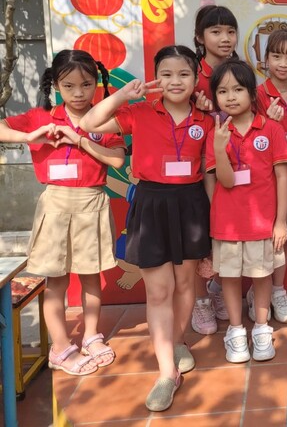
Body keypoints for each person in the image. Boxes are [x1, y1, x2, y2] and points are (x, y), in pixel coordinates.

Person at [80, 45, 213, 412]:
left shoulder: (206, 119)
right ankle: (167, 372)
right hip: (151, 203)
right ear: (156, 78)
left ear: (196, 79)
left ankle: (177, 340)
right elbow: (89, 124)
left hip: (191, 204)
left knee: (185, 284)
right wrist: (123, 94)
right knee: (158, 291)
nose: (175, 81)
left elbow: (213, 166)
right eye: (166, 74)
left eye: (183, 74)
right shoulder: (139, 112)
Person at [0, 50, 125, 376]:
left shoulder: (103, 119)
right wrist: (28, 136)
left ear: (97, 83)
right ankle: (60, 347)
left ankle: (92, 336)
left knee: (92, 276)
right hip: (55, 204)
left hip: (92, 202)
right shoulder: (39, 117)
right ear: (55, 85)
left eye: (86, 85)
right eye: (69, 86)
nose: (79, 93)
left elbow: (116, 159)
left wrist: (82, 140)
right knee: (55, 280)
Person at [206, 59, 287, 362]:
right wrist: (220, 147)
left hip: (262, 223)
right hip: (228, 223)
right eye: (222, 91)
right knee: (230, 277)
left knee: (262, 275)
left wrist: (280, 222)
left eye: (238, 89)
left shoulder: (271, 129)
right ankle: (236, 332)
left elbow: (282, 177)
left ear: (252, 93)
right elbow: (226, 181)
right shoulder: (216, 133)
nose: (230, 97)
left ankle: (262, 328)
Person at [249, 24, 287, 324]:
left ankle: (277, 291)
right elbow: (248, 139)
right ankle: (256, 292)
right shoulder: (257, 95)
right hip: (264, 182)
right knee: (262, 241)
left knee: (282, 240)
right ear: (265, 59)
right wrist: (266, 120)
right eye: (276, 56)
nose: (283, 64)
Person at [191, 5, 239, 334]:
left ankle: (219, 289)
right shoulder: (191, 73)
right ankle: (201, 300)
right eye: (216, 32)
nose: (225, 38)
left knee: (228, 234)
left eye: (230, 31)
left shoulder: (240, 71)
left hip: (232, 168)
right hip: (195, 170)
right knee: (200, 239)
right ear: (200, 37)